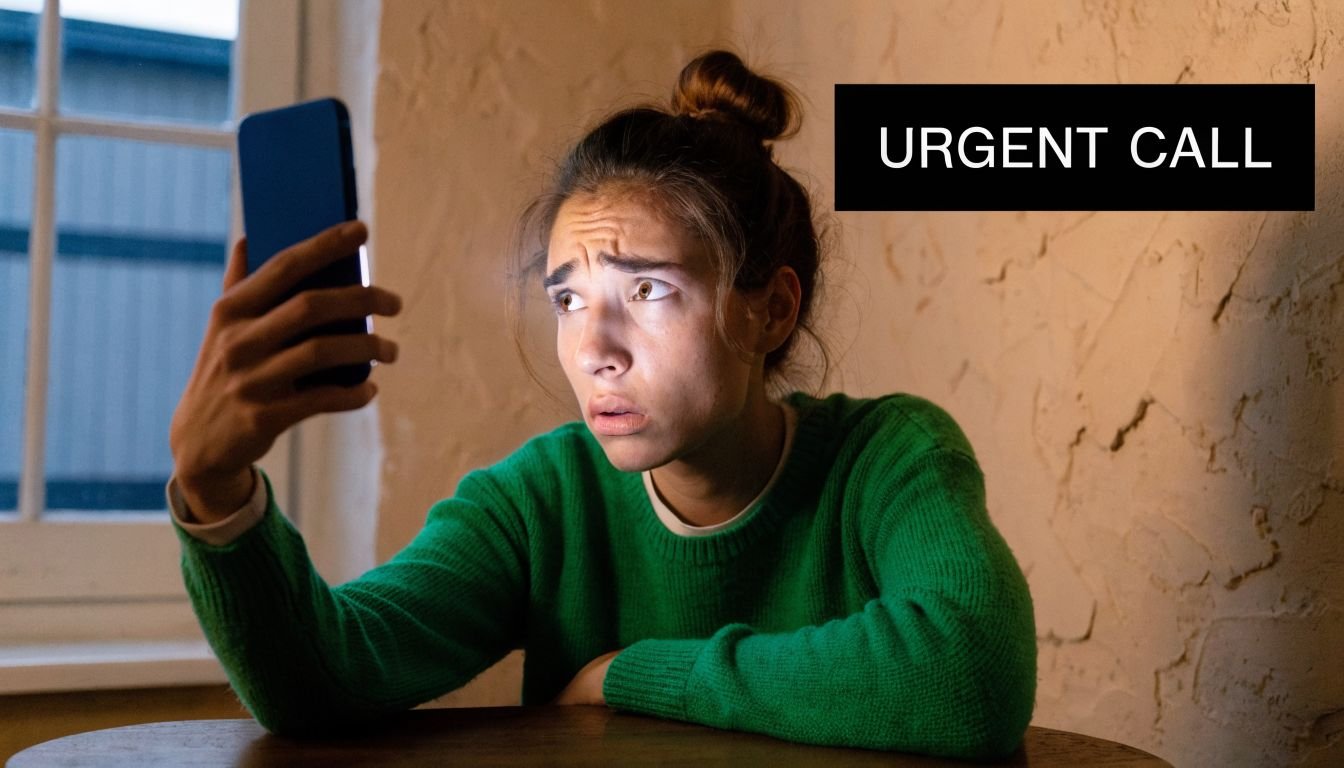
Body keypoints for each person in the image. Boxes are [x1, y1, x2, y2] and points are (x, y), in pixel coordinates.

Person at [167, 50, 1037, 760]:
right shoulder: (540, 503)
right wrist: (214, 492)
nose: (593, 349)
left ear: (769, 308)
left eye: (649, 290)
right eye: (568, 299)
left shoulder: (889, 458)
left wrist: (632, 675)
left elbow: (968, 674)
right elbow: (328, 679)